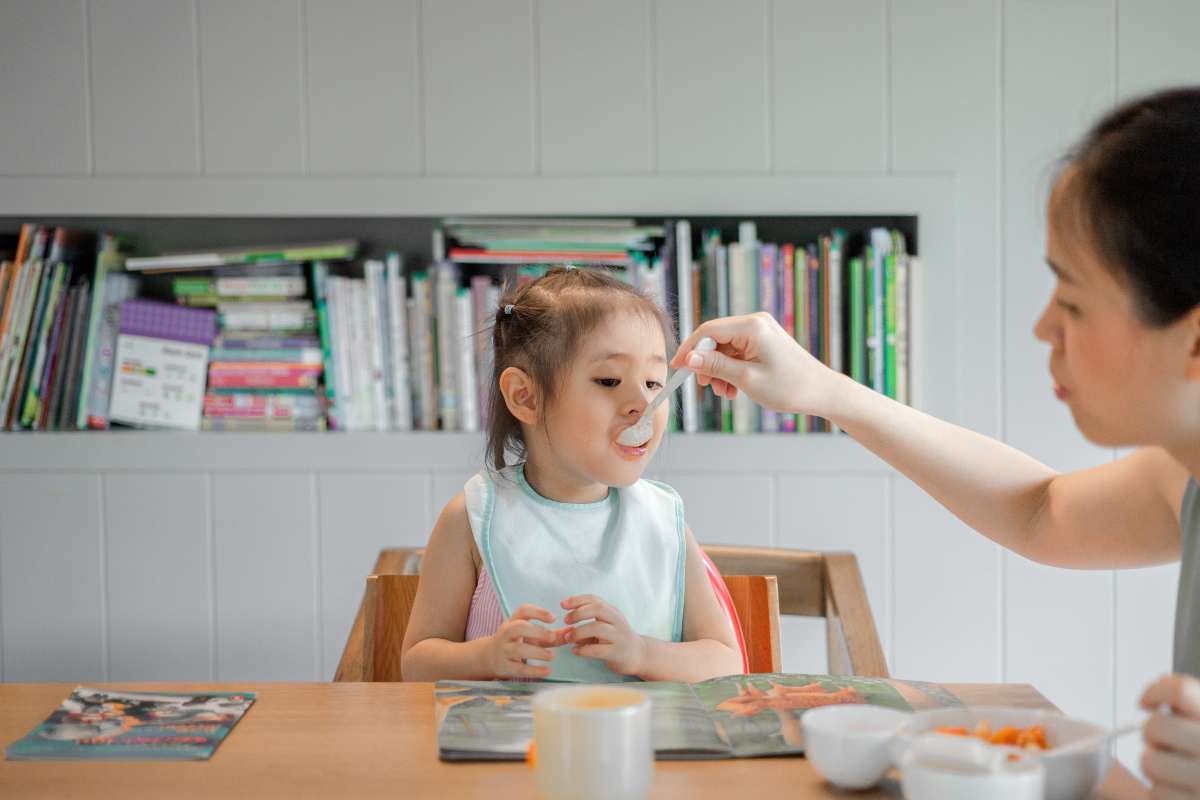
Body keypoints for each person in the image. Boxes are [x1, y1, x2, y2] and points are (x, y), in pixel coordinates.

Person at [672, 86, 1200, 797]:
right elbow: (1041, 510)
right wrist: (823, 390)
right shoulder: (1183, 477)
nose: (1045, 327)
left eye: (1072, 301)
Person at [402, 267, 741, 683]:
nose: (643, 403)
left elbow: (725, 662)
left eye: (655, 382)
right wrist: (486, 658)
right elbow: (417, 664)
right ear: (525, 397)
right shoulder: (470, 519)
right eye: (609, 380)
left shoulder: (664, 521)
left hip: (644, 745)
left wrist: (641, 654)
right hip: (510, 746)